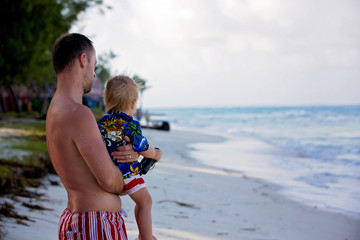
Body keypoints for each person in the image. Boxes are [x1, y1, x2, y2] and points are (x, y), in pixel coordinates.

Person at [46, 33, 138, 240]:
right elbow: (108, 180)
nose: (94, 74)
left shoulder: (55, 109)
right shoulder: (78, 113)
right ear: (83, 60)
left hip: (79, 220)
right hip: (95, 225)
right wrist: (132, 169)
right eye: (94, 64)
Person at [98, 75, 162, 240]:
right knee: (145, 201)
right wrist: (154, 154)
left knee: (142, 201)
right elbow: (142, 146)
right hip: (127, 173)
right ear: (134, 104)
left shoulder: (101, 124)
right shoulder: (130, 125)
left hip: (106, 171)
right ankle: (146, 236)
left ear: (107, 100)